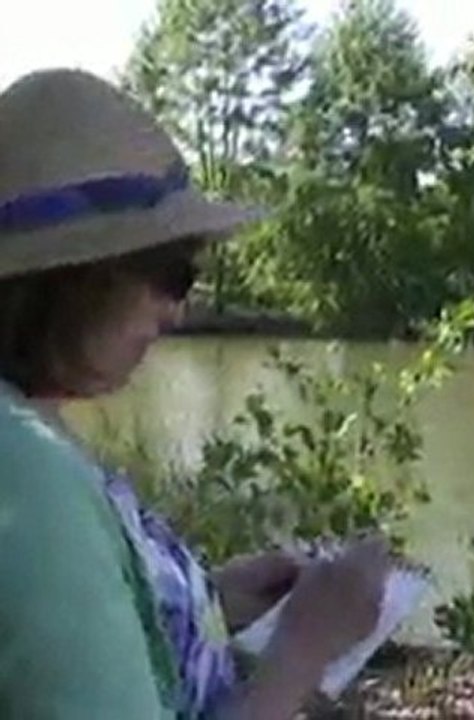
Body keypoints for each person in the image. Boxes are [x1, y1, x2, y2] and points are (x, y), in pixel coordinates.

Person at [0, 68, 388, 719]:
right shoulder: (26, 477)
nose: (177, 312)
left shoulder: (27, 433)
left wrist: (206, 602)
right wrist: (306, 646)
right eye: (171, 275)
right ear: (70, 279)